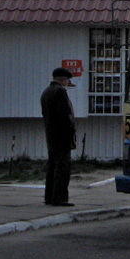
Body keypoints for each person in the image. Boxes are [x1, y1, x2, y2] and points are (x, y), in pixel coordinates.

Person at [40, 67, 77, 206]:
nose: (67, 83)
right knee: (62, 167)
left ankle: (49, 196)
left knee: (52, 167)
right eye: (68, 80)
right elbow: (66, 115)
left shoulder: (46, 92)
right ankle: (60, 198)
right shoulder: (60, 92)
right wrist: (71, 130)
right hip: (62, 135)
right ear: (64, 80)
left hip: (51, 134)